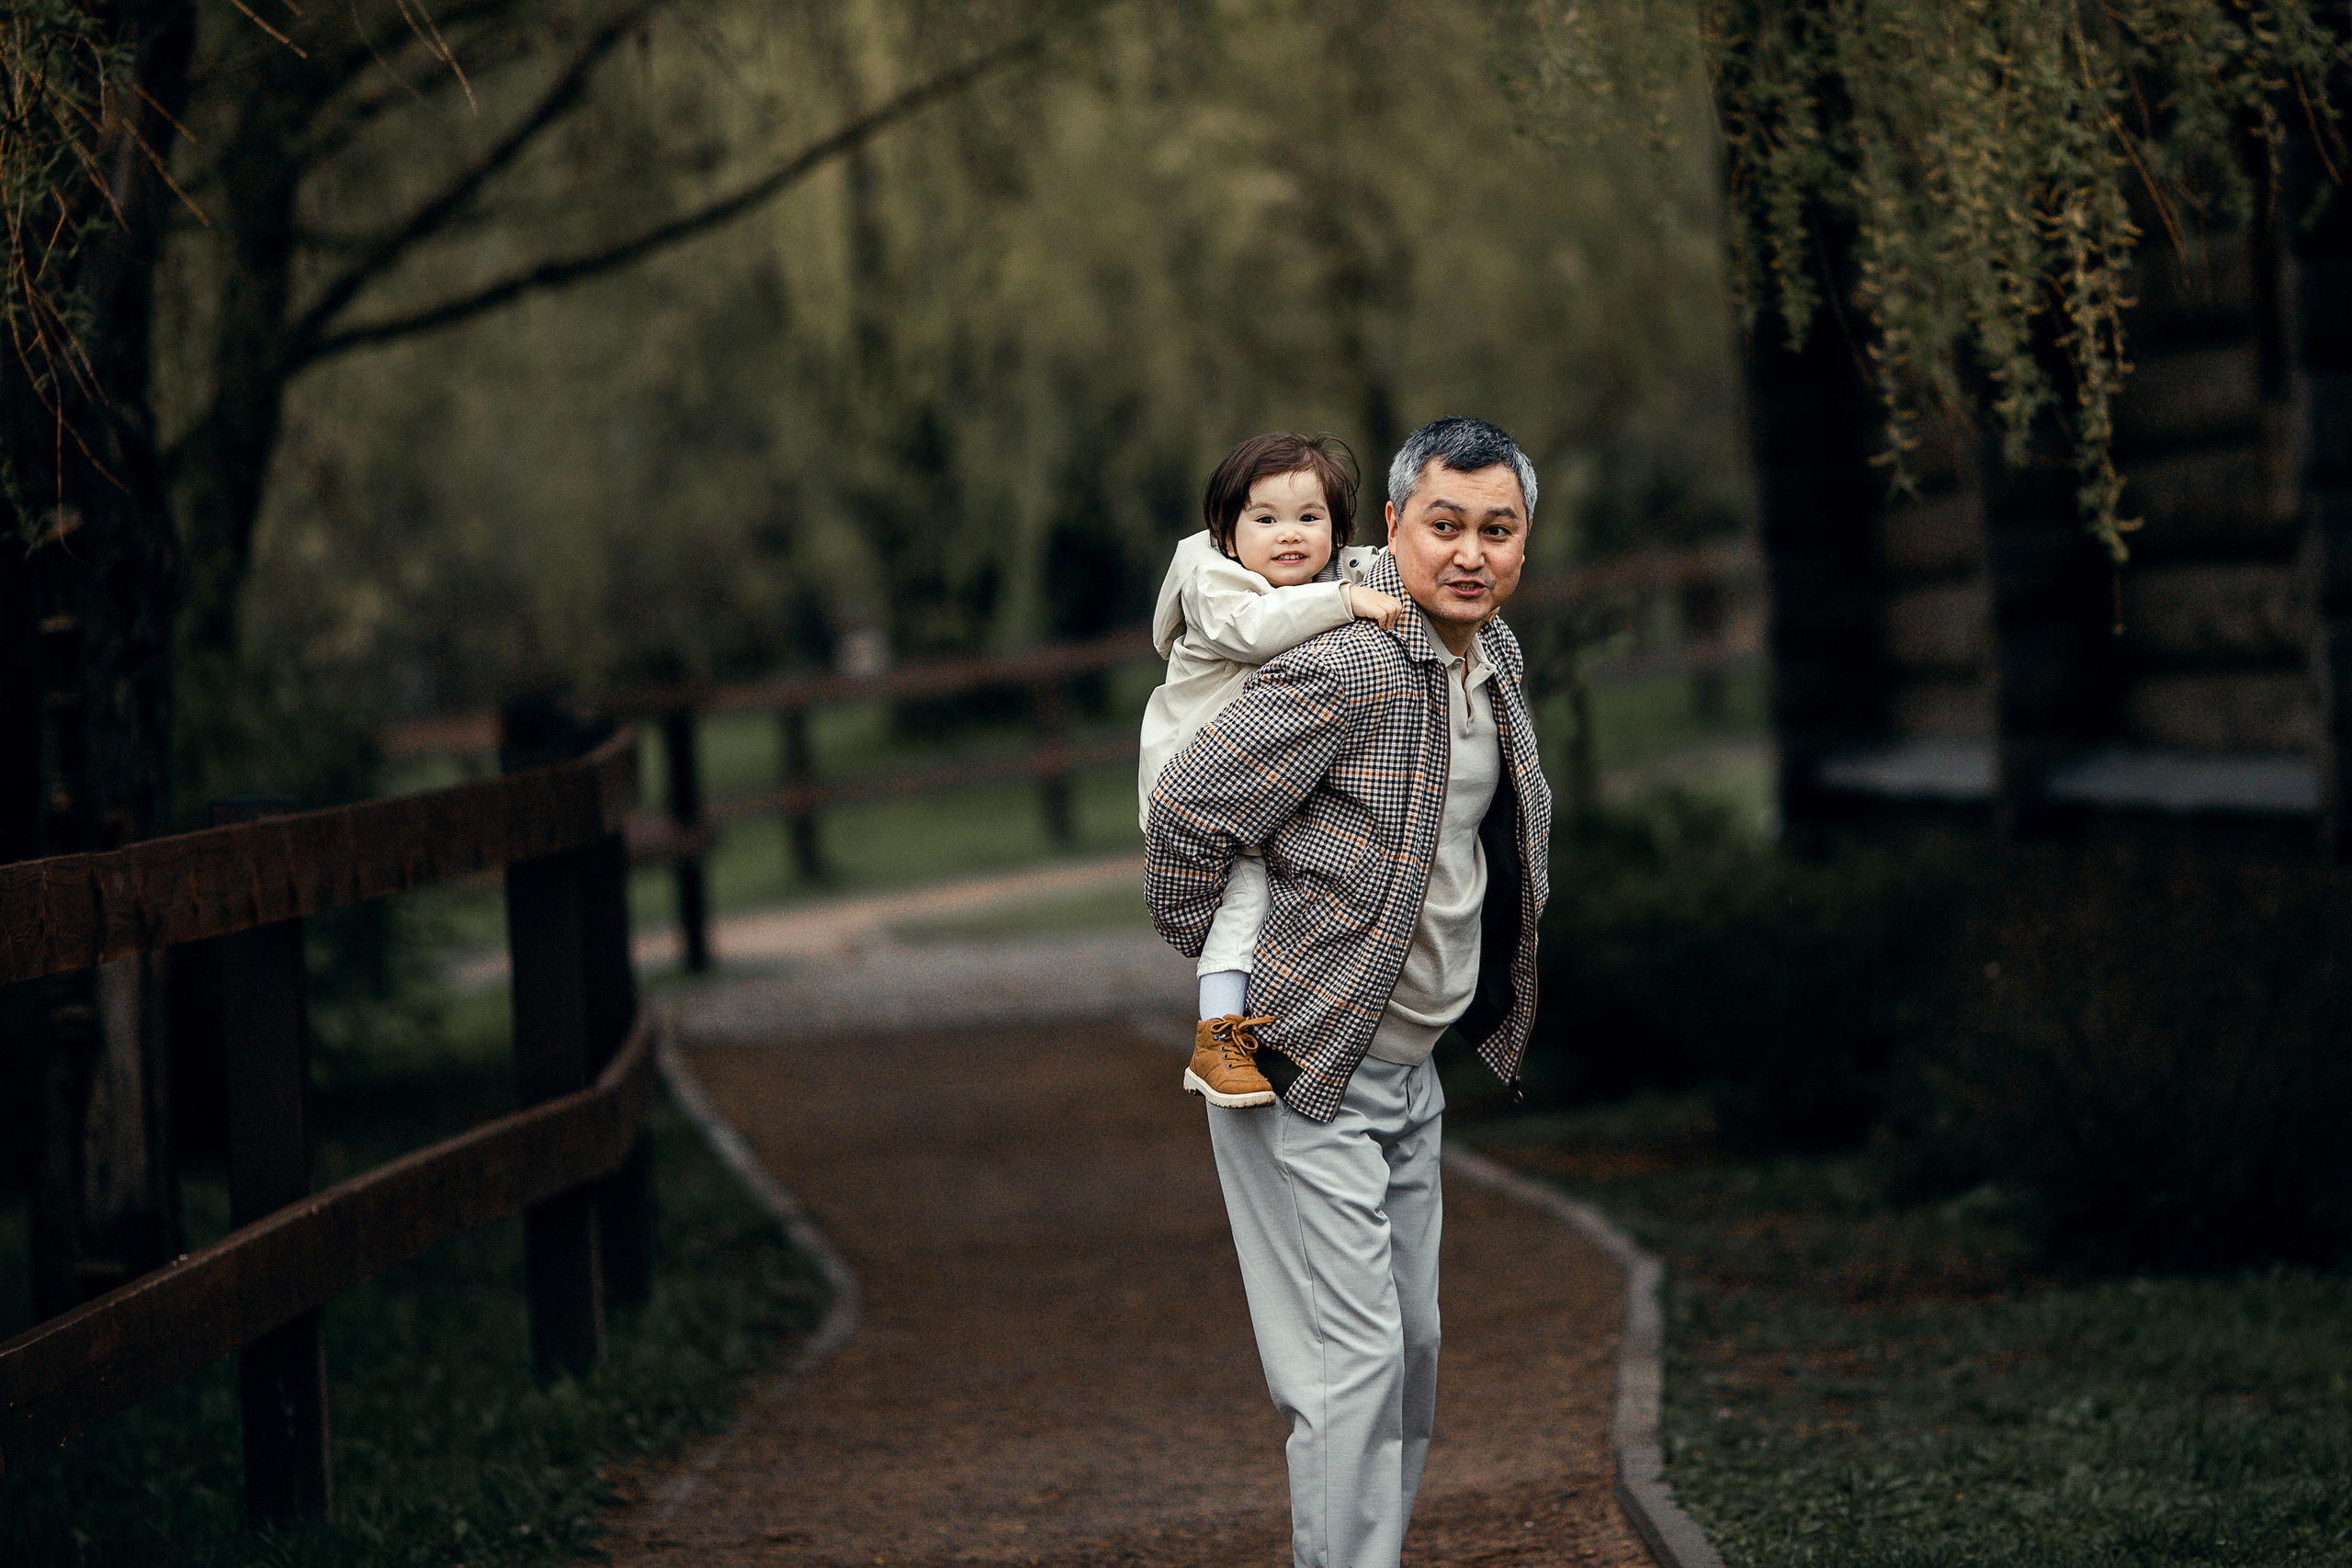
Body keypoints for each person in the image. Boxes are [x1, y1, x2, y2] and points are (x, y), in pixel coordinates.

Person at [1146, 416, 1552, 1568]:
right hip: (1295, 1059)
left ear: (1521, 543)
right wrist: (1227, 970)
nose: (1469, 554)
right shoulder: (1348, 663)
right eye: (1444, 526)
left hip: (1405, 1069)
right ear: (1392, 528)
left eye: (1497, 530)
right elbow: (1187, 808)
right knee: (1350, 1357)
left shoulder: (1495, 658)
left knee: (1412, 1347)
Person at [1136, 431, 1405, 1108]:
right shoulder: (1214, 583)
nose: (1290, 535)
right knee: (1248, 895)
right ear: (1226, 533)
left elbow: (1378, 570)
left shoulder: (1319, 574)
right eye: (1266, 519)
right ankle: (1217, 1037)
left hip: (1265, 787)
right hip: (1200, 786)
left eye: (1309, 518)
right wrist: (1347, 600)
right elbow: (1253, 629)